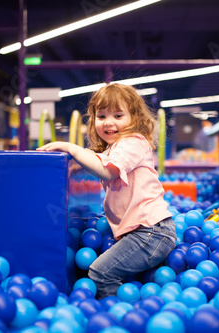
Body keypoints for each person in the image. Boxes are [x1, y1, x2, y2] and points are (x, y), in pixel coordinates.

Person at [37, 83, 176, 299]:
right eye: (101, 116)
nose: (109, 122)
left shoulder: (133, 142)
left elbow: (106, 171)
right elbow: (96, 162)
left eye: (118, 115)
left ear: (135, 119)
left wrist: (71, 148)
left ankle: (117, 315)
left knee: (100, 272)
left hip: (151, 233)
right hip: (141, 232)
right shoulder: (115, 147)